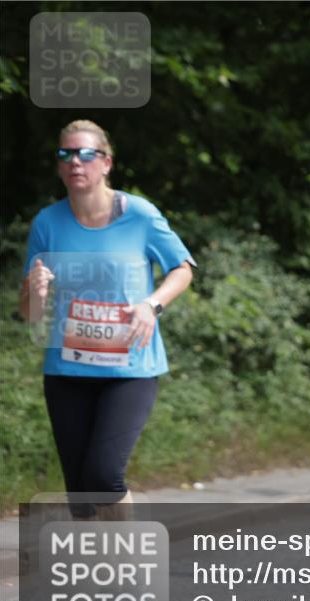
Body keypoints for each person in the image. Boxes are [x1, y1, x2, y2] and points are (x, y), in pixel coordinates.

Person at [19, 119, 195, 521]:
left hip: (130, 368)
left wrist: (152, 305)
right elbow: (28, 312)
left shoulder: (141, 215)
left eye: (86, 153)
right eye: (65, 154)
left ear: (107, 162)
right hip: (66, 371)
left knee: (103, 476)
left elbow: (182, 268)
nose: (75, 162)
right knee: (81, 496)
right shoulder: (48, 223)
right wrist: (35, 292)